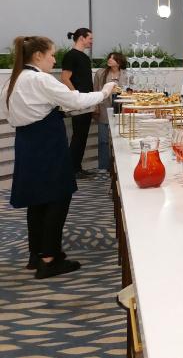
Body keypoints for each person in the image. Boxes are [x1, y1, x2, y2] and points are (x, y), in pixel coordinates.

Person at [1, 36, 116, 278]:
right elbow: (75, 99)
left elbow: (13, 114)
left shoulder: (14, 79)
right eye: (51, 55)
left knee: (37, 199)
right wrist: (105, 91)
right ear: (38, 56)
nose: (54, 60)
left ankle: (36, 254)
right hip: (47, 142)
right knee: (57, 197)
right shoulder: (39, 79)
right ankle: (49, 258)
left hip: (27, 141)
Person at [61, 28, 96, 179]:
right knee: (78, 136)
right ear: (82, 38)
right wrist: (76, 96)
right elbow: (65, 78)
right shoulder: (71, 55)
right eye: (90, 38)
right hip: (79, 102)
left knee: (82, 136)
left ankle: (76, 168)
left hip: (86, 102)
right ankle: (72, 170)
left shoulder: (84, 57)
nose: (92, 41)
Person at [92, 52, 129, 170]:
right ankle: (103, 168)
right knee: (103, 140)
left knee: (120, 140)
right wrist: (96, 107)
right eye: (109, 58)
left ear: (119, 62)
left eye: (113, 58)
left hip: (121, 110)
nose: (110, 60)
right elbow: (95, 90)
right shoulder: (100, 73)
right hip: (104, 108)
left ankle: (119, 168)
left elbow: (130, 92)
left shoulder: (126, 74)